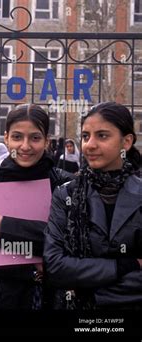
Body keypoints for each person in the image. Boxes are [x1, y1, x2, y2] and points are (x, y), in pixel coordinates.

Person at [0, 104, 74, 310]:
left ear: (47, 141)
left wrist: (5, 226)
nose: (25, 146)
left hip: (54, 298)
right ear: (6, 138)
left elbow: (70, 240)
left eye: (35, 138)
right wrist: (30, 269)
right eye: (17, 137)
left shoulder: (65, 185)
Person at [44, 102, 142, 309]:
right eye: (86, 136)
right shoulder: (66, 194)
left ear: (126, 142)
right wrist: (124, 265)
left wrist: (92, 283)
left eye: (102, 136)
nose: (90, 144)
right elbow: (55, 265)